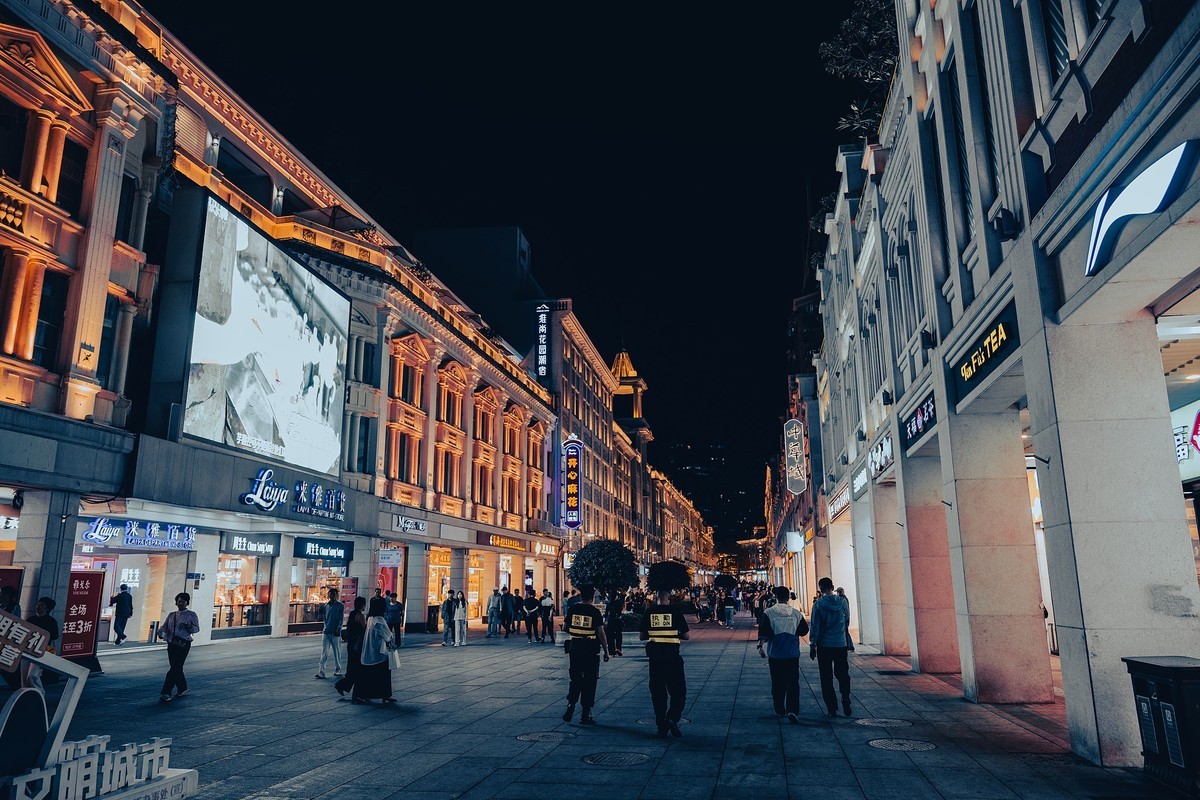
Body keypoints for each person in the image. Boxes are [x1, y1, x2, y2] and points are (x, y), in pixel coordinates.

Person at [639, 588, 689, 737]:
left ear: (656, 598)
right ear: (668, 599)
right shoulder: (675, 612)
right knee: (679, 691)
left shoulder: (649, 612)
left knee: (657, 692)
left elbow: (642, 636)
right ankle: (672, 717)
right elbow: (686, 636)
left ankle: (661, 724)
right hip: (673, 657)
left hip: (655, 659)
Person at [758, 585, 808, 723]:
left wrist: (760, 646)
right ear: (788, 598)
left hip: (776, 652)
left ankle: (779, 708)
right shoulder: (796, 613)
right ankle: (793, 709)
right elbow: (804, 630)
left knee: (777, 682)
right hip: (792, 652)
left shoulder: (769, 613)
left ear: (776, 597)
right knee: (793, 682)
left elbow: (764, 631)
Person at [562, 585, 609, 725]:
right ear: (592, 597)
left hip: (575, 647)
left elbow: (565, 627)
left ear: (581, 596)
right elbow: (601, 633)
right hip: (590, 649)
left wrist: (577, 633)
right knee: (590, 680)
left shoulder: (573, 609)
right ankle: (585, 714)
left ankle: (571, 704)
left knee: (575, 678)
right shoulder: (594, 612)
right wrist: (606, 651)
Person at [809, 577, 852, 717]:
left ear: (820, 589)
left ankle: (832, 707)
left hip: (824, 645)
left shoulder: (818, 604)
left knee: (826, 676)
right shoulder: (842, 602)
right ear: (832, 587)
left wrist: (812, 644)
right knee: (843, 673)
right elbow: (847, 620)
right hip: (840, 644)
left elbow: (815, 626)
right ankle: (845, 697)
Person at [157, 592, 200, 702]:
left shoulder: (191, 615)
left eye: (183, 601)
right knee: (176, 667)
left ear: (187, 603)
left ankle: (166, 692)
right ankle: (182, 687)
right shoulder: (172, 615)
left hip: (184, 643)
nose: (181, 603)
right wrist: (160, 633)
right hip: (171, 643)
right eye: (179, 601)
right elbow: (164, 627)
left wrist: (189, 626)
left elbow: (196, 629)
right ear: (176, 602)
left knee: (175, 668)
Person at [354, 596, 397, 704]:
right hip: (380, 652)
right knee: (384, 675)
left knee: (369, 674)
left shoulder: (370, 619)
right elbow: (388, 635)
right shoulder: (380, 620)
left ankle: (366, 694)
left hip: (368, 651)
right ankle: (385, 694)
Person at [23, 596, 58, 692]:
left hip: (42, 650)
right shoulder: (31, 619)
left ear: (47, 608)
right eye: (38, 604)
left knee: (33, 675)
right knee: (25, 675)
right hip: (28, 649)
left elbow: (55, 636)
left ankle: (40, 692)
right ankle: (30, 692)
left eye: (41, 605)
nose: (38, 606)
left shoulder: (51, 621)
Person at [334, 597, 367, 698]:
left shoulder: (352, 614)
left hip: (351, 643)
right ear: (362, 605)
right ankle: (355, 692)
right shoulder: (360, 616)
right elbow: (365, 629)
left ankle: (343, 685)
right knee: (358, 668)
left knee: (352, 667)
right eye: (364, 604)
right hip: (358, 644)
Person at [315, 587, 344, 679]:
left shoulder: (340, 605)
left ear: (336, 595)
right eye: (330, 594)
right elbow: (325, 618)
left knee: (337, 652)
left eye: (333, 594)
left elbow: (341, 618)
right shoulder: (326, 605)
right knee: (324, 652)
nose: (331, 596)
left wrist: (339, 628)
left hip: (335, 632)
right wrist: (325, 627)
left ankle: (338, 669)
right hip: (326, 631)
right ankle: (321, 672)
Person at [604, 590, 625, 657]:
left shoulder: (609, 604)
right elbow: (622, 599)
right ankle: (618, 648)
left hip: (611, 621)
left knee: (610, 637)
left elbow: (606, 614)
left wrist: (605, 621)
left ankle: (611, 652)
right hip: (618, 620)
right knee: (619, 635)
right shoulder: (619, 602)